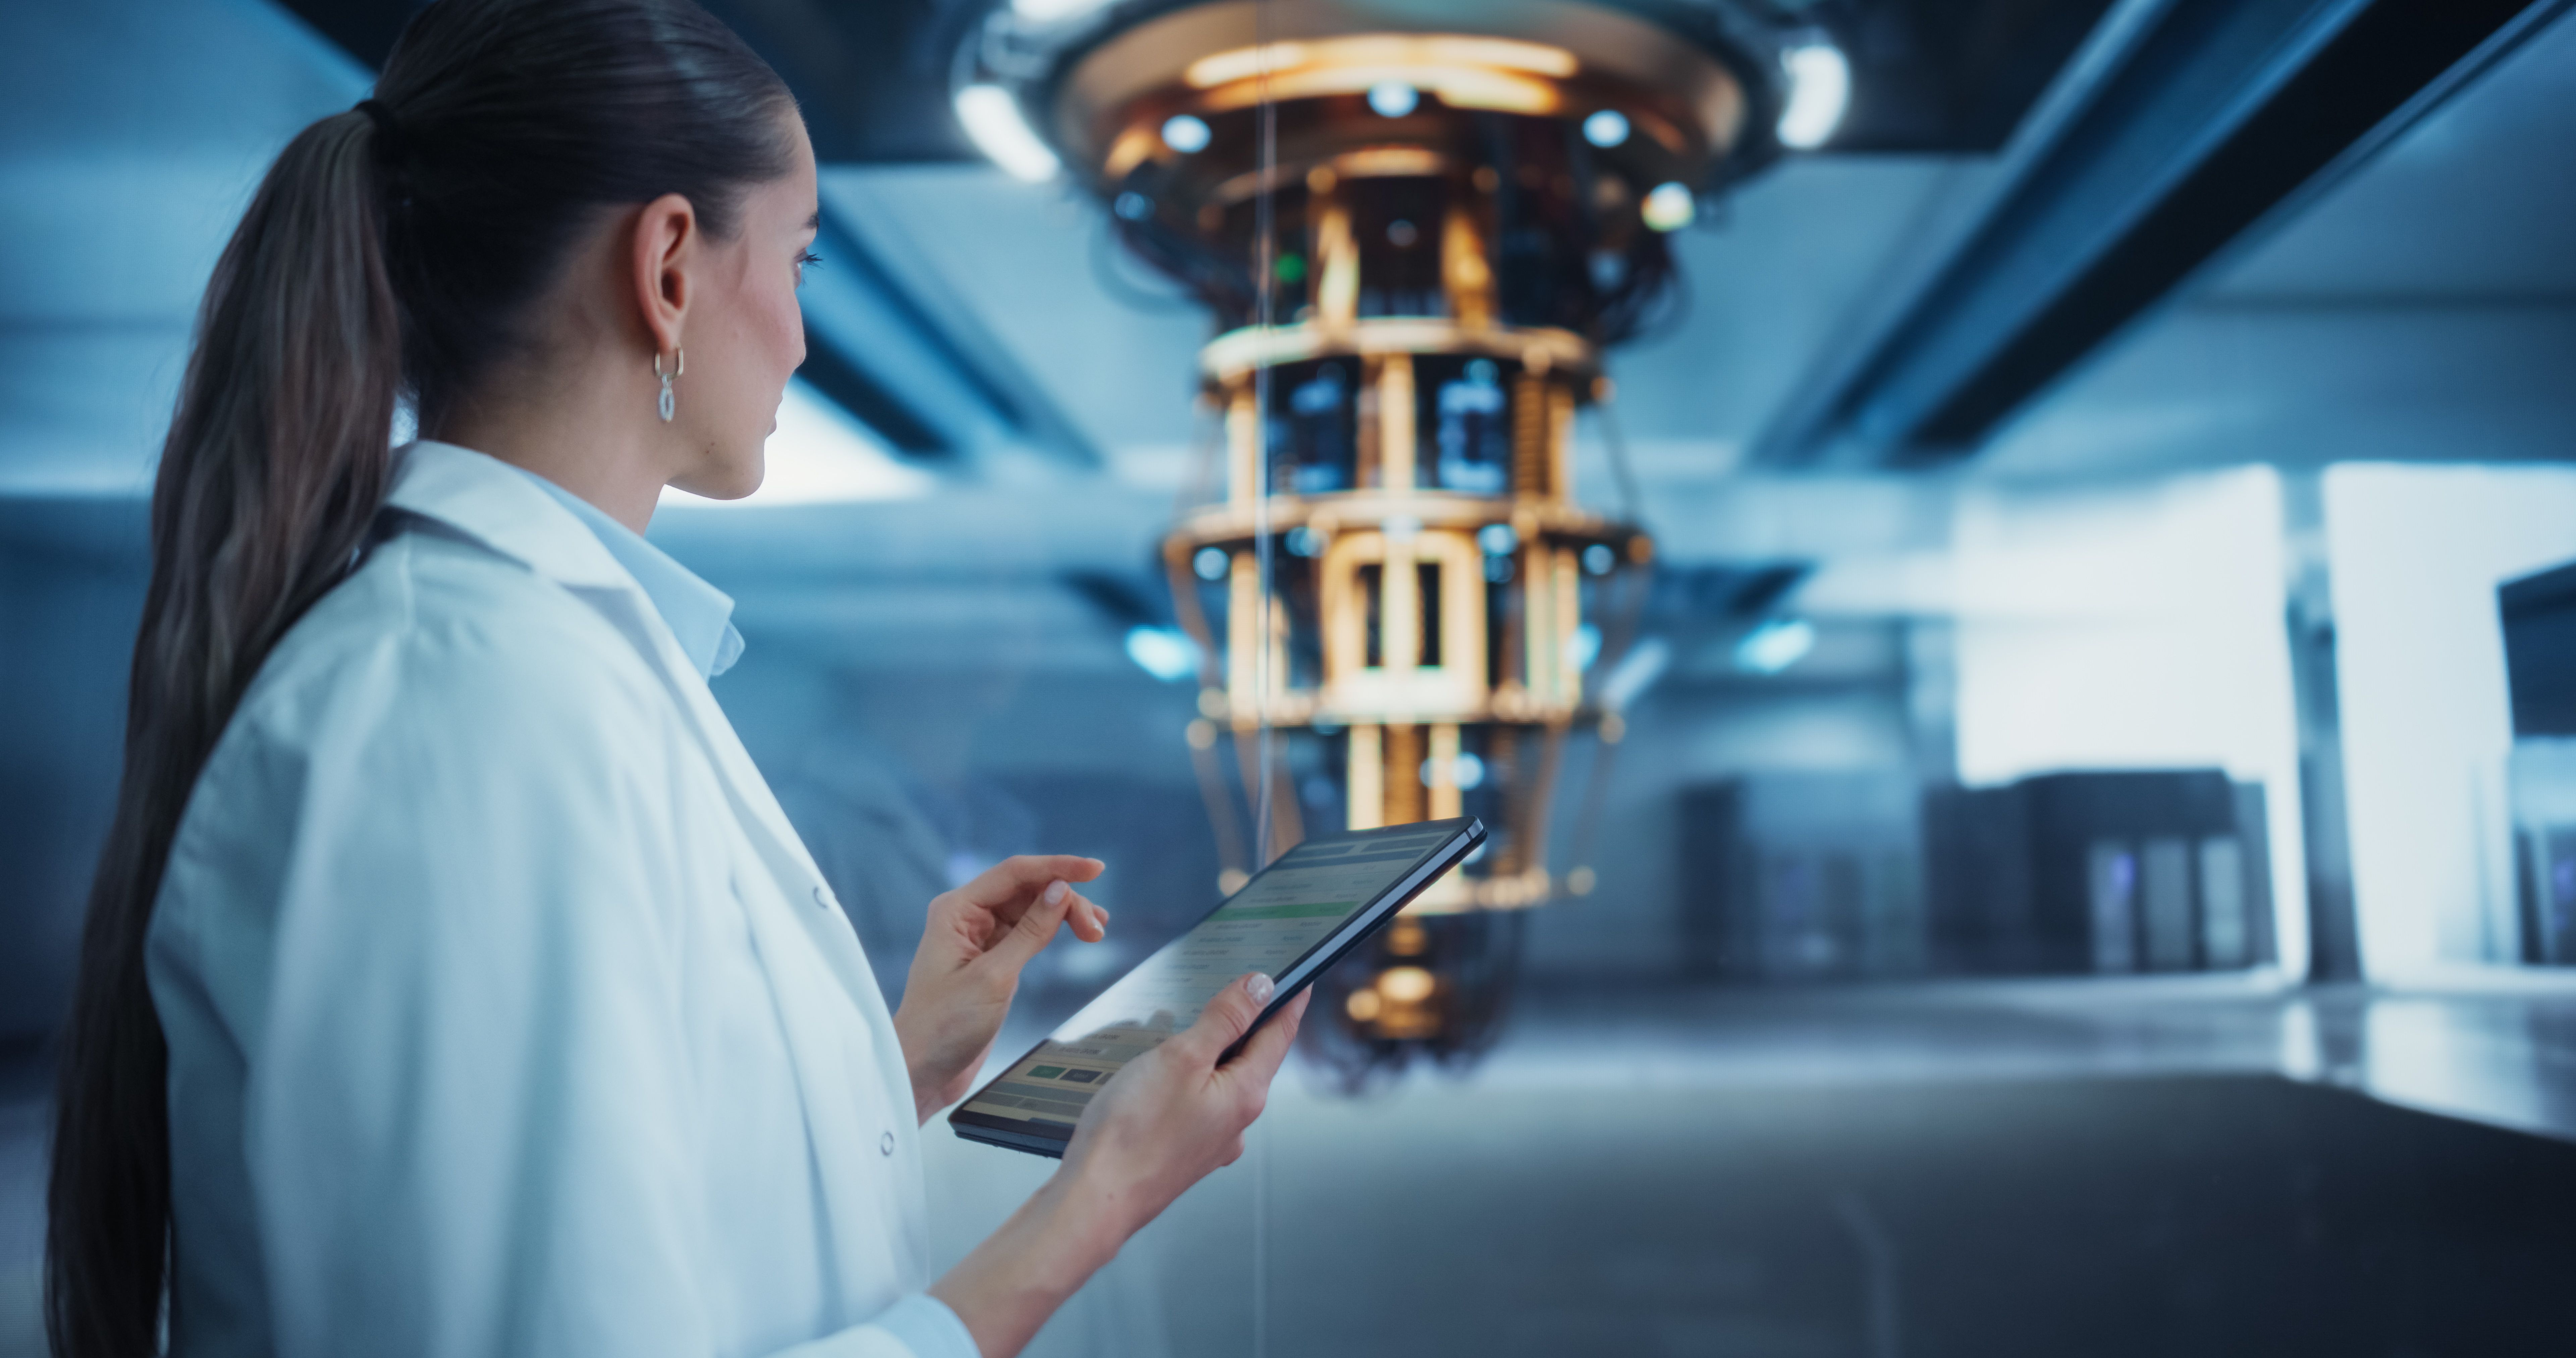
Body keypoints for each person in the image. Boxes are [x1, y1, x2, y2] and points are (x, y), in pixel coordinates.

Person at [42, 2, 1309, 1355]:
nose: (805, 339)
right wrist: (1096, 1200)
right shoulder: (467, 706)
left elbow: (619, 1201)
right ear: (665, 268)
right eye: (801, 260)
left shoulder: (541, 669)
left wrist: (885, 1068)